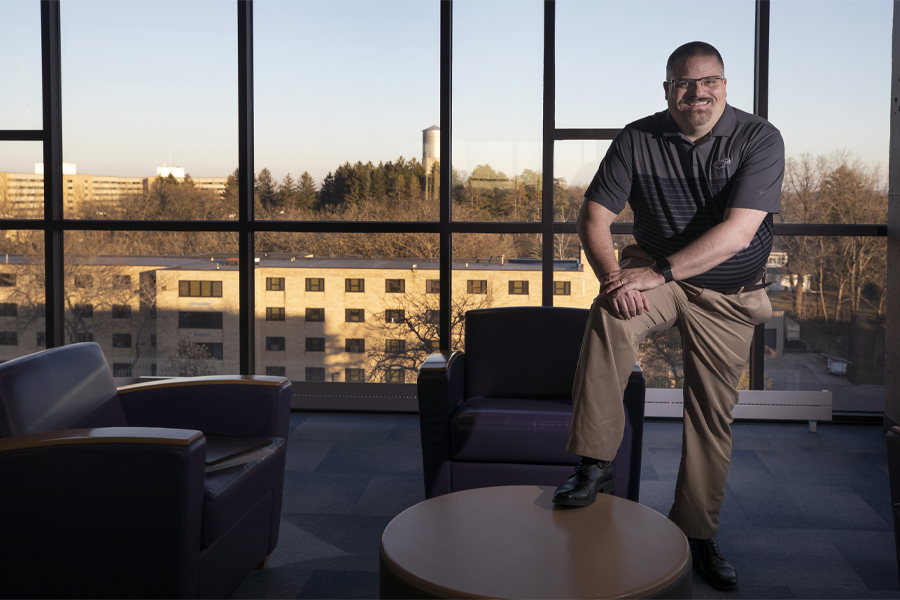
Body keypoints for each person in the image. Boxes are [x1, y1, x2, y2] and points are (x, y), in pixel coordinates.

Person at [552, 41, 784, 592]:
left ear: (725, 87)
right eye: (684, 83)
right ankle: (594, 461)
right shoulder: (637, 138)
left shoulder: (759, 138)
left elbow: (739, 233)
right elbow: (593, 217)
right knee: (611, 313)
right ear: (667, 90)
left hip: (727, 291)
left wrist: (658, 274)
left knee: (709, 414)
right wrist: (616, 277)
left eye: (708, 82)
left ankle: (697, 533)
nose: (696, 92)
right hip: (654, 271)